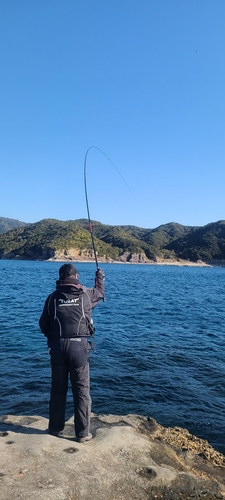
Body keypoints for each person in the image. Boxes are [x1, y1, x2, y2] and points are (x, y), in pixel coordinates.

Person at [39, 263, 104, 442]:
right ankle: (82, 434)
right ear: (76, 277)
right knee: (82, 392)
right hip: (80, 349)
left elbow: (43, 324)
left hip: (58, 348)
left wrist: (53, 339)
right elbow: (100, 293)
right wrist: (100, 277)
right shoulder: (85, 295)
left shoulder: (52, 298)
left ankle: (55, 428)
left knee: (58, 391)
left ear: (61, 278)